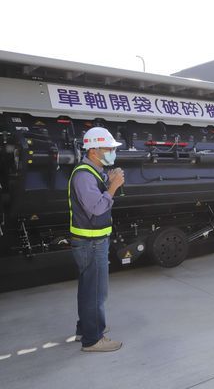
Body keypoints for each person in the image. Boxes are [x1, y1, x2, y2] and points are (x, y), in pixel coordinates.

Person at [69, 127, 125, 352]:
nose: (112, 152)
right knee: (95, 292)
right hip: (91, 243)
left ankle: (86, 328)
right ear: (93, 151)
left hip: (93, 241)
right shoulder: (83, 175)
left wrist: (108, 181)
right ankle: (93, 340)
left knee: (90, 289)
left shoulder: (93, 171)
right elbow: (96, 207)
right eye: (109, 148)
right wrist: (113, 186)